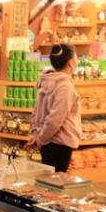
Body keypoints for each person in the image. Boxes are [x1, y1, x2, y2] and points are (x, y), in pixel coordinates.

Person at [26, 44, 82, 172]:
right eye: (76, 57)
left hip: (48, 141)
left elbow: (38, 111)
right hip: (59, 142)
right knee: (55, 183)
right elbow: (55, 119)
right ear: (71, 63)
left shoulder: (47, 80)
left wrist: (37, 135)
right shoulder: (65, 86)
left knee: (48, 181)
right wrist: (40, 139)